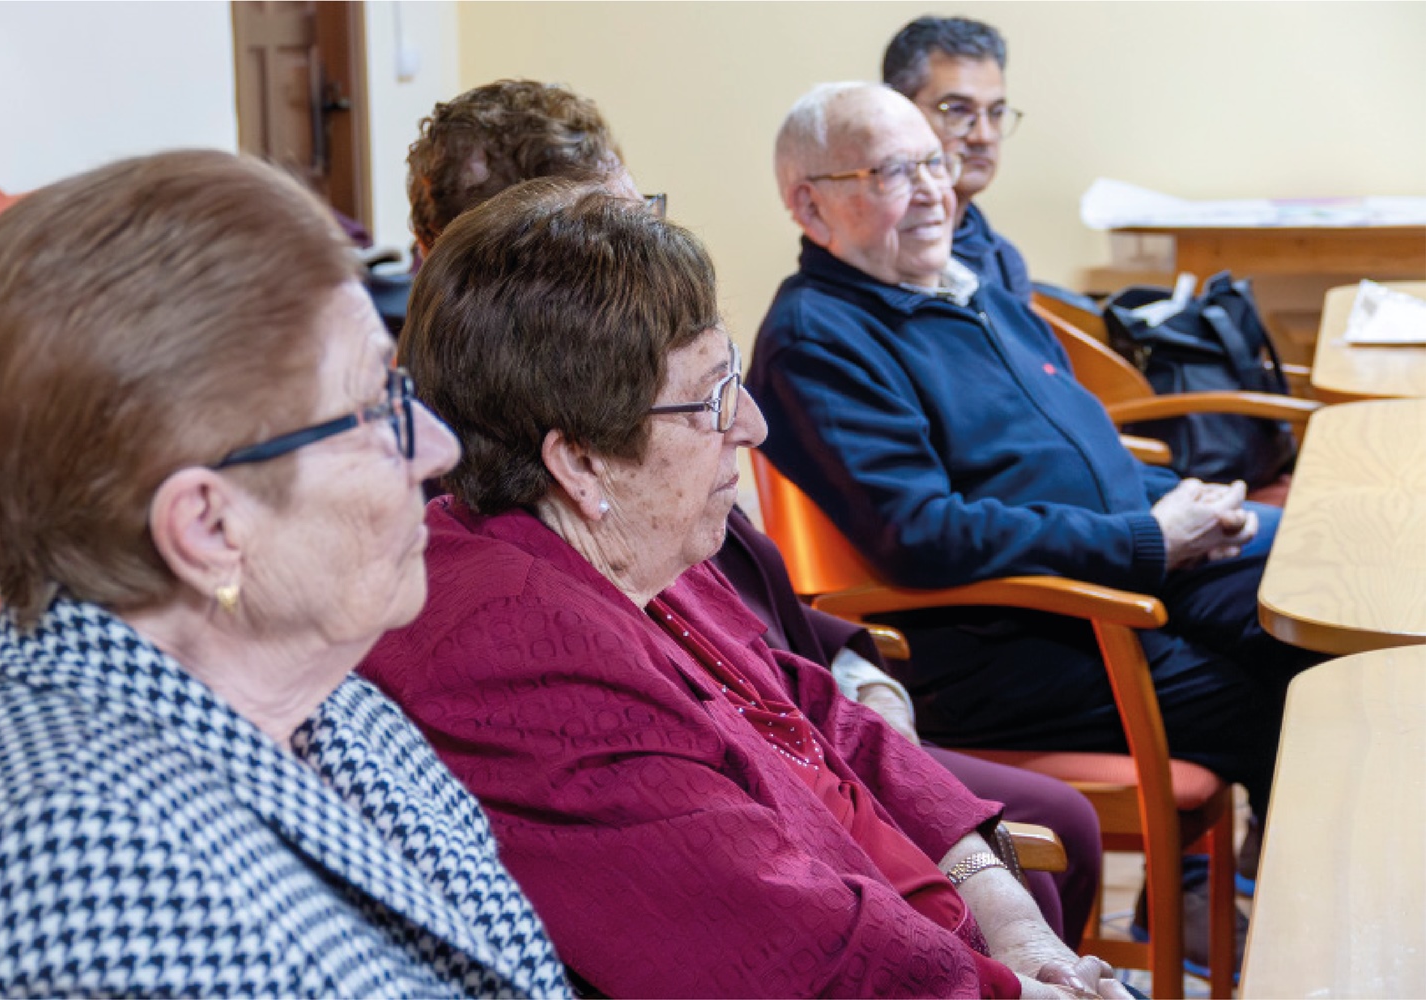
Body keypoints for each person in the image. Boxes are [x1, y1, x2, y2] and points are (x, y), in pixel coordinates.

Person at [362, 177, 1128, 999]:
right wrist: (1016, 989)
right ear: (581, 461)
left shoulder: (638, 545)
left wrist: (1005, 914)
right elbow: (788, 954)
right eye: (714, 396)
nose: (753, 426)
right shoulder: (514, 650)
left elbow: (816, 708)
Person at [0, 150, 568, 998]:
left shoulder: (318, 695)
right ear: (210, 527)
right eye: (377, 409)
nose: (439, 448)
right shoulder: (104, 897)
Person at [748, 81, 1323, 975]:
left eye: (933, 162)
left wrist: (1186, 503)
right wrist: (1147, 540)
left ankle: (1286, 906)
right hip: (1018, 643)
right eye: (893, 172)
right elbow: (925, 534)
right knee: (1313, 686)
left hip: (1123, 578)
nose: (935, 190)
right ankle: (1310, 947)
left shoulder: (963, 285)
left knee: (1318, 580)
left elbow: (1071, 450)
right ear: (807, 204)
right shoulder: (818, 338)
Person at [882, 15, 1033, 302]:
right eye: (957, 110)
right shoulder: (872, 252)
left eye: (996, 112)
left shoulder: (1003, 260)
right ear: (897, 110)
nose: (983, 136)